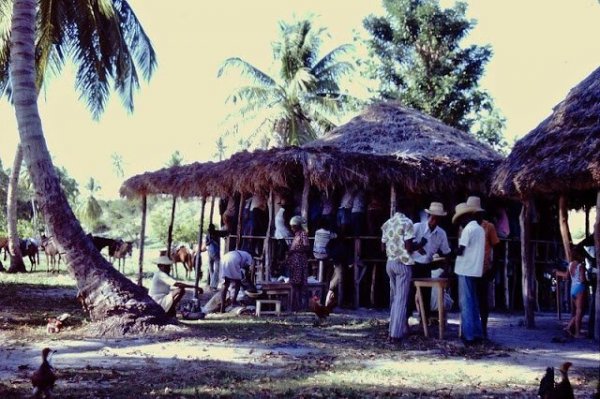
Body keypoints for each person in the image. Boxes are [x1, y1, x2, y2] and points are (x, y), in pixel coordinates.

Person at [410, 202, 451, 321]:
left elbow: (447, 253)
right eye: (433, 217)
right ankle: (406, 321)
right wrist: (418, 246)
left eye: (437, 218)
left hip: (426, 266)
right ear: (429, 216)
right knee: (409, 294)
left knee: (426, 296)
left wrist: (446, 270)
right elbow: (407, 244)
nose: (434, 220)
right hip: (413, 265)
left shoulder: (441, 233)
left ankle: (424, 322)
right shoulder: (417, 227)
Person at [467, 196, 500, 338]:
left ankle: (484, 328)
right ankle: (473, 328)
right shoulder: (466, 228)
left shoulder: (489, 227)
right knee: (470, 299)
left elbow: (497, 248)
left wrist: (494, 268)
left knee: (483, 300)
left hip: (483, 269)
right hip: (469, 268)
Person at [453, 202, 485, 345]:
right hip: (475, 270)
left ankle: (468, 336)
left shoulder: (468, 229)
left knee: (465, 303)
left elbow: (461, 250)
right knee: (474, 303)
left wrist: (451, 252)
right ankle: (477, 334)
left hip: (465, 269)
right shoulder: (480, 229)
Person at [381, 210, 416, 342]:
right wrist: (420, 244)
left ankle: (392, 331)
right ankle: (396, 335)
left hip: (390, 263)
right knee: (401, 300)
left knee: (396, 299)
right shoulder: (407, 222)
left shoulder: (387, 223)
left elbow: (382, 246)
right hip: (403, 264)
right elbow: (409, 247)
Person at [555, 247, 588, 338]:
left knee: (579, 311)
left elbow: (566, 276)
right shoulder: (580, 266)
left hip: (572, 289)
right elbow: (582, 280)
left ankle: (569, 327)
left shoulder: (570, 265)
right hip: (580, 288)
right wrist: (588, 279)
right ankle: (577, 333)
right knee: (580, 311)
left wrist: (558, 273)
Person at [287, 215, 310, 311]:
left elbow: (306, 246)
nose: (291, 228)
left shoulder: (303, 234)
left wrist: (296, 250)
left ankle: (300, 306)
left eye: (293, 226)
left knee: (299, 284)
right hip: (295, 261)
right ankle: (296, 306)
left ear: (297, 226)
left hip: (299, 261)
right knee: (295, 284)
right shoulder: (296, 235)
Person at [201, 224, 228, 291]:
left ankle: (211, 283)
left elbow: (206, 244)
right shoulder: (216, 233)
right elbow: (224, 234)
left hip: (210, 252)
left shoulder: (208, 235)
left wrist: (210, 241)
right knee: (217, 269)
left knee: (211, 268)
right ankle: (213, 285)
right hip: (215, 252)